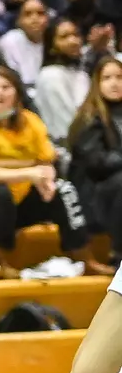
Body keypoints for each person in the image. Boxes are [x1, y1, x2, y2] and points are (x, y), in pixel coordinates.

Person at [0, 66, 108, 276]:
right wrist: (30, 171)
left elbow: (46, 160)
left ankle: (82, 254)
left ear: (17, 93)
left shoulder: (30, 120)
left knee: (65, 189)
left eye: (6, 87)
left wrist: (47, 180)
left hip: (27, 198)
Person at [69, 57, 122, 260]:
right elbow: (96, 162)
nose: (115, 83)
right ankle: (118, 253)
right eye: (107, 78)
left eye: (119, 77)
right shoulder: (88, 118)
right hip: (94, 190)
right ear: (96, 84)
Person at [37, 16, 93, 144]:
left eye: (76, 35)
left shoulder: (81, 73)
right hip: (64, 146)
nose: (73, 41)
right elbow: (65, 124)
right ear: (52, 45)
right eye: (64, 37)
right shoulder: (50, 75)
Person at [0, 0, 49, 86]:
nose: (35, 19)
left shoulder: (53, 40)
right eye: (28, 14)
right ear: (19, 20)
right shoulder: (10, 41)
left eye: (40, 13)